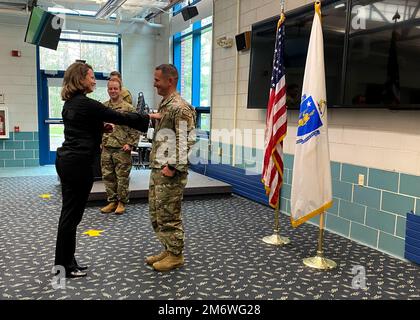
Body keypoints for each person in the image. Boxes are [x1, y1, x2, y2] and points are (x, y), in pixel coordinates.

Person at [54, 62, 159, 278]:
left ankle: (67, 261)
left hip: (68, 162)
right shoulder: (86, 104)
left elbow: (78, 126)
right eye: (91, 77)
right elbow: (120, 117)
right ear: (80, 79)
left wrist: (100, 127)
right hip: (78, 165)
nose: (94, 81)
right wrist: (148, 117)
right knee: (70, 218)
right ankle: (64, 267)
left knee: (70, 216)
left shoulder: (71, 104)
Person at [145, 64, 196, 272]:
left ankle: (176, 255)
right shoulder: (166, 105)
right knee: (157, 212)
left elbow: (186, 140)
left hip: (170, 169)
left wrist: (173, 166)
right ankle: (168, 248)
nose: (154, 83)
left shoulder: (180, 107)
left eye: (157, 80)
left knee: (169, 212)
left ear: (170, 81)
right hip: (159, 165)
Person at [100, 78, 140, 215]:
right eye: (110, 88)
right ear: (107, 90)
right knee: (108, 176)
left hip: (122, 148)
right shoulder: (103, 107)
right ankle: (112, 201)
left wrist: (131, 144)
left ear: (120, 89)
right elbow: (98, 126)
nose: (113, 91)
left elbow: (136, 127)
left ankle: (122, 202)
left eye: (115, 88)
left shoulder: (128, 109)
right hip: (106, 147)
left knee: (122, 177)